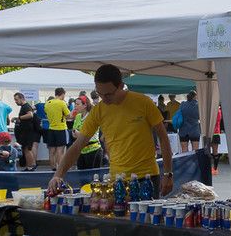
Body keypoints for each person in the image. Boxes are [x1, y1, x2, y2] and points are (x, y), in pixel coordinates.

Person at [48, 64, 173, 197]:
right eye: (100, 94)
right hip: (117, 180)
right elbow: (77, 145)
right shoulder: (98, 110)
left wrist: (168, 173)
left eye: (109, 94)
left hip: (146, 178)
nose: (104, 99)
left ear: (121, 86)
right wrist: (58, 175)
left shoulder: (143, 102)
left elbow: (163, 137)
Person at [71, 95, 104, 169]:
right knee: (81, 174)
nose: (75, 106)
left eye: (78, 104)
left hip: (93, 150)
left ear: (85, 105)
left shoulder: (91, 116)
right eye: (75, 104)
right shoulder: (78, 116)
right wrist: (79, 134)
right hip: (81, 151)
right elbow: (74, 133)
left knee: (93, 174)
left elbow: (87, 136)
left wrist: (79, 134)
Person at [43, 87, 70, 169]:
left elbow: (46, 115)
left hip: (51, 129)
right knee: (60, 151)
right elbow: (68, 115)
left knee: (51, 151)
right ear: (62, 94)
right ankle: (60, 168)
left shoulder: (47, 103)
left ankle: (53, 167)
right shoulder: (62, 103)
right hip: (61, 129)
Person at [13, 92, 39, 171]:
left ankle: (30, 166)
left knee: (27, 150)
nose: (15, 101)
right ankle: (30, 165)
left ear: (22, 98)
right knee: (26, 149)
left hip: (27, 132)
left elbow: (30, 115)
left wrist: (19, 118)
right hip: (26, 132)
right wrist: (17, 119)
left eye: (16, 99)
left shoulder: (26, 106)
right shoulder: (24, 106)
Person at [209, 104, 224, 173]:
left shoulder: (216, 111)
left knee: (211, 151)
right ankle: (214, 168)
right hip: (215, 133)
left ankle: (214, 169)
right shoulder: (219, 110)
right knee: (214, 151)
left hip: (212, 132)